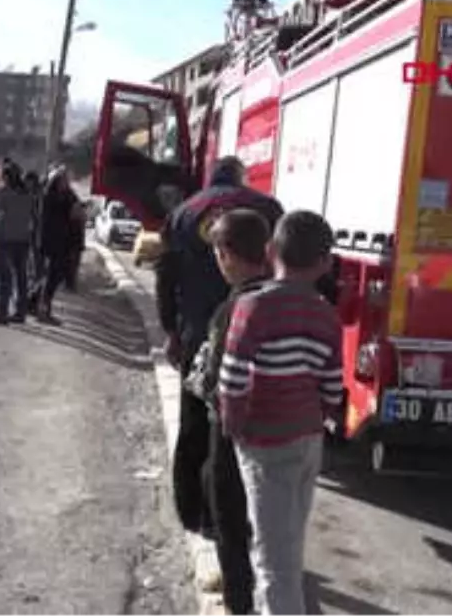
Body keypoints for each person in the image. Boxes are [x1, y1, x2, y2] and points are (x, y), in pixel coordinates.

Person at [157, 156, 283, 604]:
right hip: (255, 333)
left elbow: (164, 273)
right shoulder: (268, 208)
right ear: (242, 177)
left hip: (199, 334)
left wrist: (169, 327)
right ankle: (240, 523)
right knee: (244, 446)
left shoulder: (184, 212)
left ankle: (195, 515)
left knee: (196, 432)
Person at [216, 210, 344, 616]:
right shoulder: (326, 314)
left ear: (270, 252)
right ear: (325, 263)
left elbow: (232, 379)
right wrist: (313, 419)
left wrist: (234, 429)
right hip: (307, 440)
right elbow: (331, 386)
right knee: (288, 545)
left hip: (265, 443)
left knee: (275, 565)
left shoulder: (252, 307)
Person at [182, 209, 272, 616]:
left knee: (229, 520)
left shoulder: (231, 310)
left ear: (227, 256)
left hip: (232, 434)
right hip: (280, 432)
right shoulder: (279, 298)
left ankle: (240, 604)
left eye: (218, 254)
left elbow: (216, 381)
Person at [0, 161, 34, 324]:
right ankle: (20, 312)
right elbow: (34, 216)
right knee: (21, 276)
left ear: (5, 176)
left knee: (4, 277)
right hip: (23, 239)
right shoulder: (27, 192)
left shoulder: (2, 191)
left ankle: (2, 312)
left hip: (4, 239)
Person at [35, 166, 82, 323]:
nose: (65, 183)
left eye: (66, 180)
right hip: (51, 242)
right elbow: (48, 221)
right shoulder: (49, 197)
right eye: (62, 180)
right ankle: (43, 309)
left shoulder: (68, 196)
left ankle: (36, 302)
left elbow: (77, 210)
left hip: (64, 243)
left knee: (56, 275)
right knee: (50, 276)